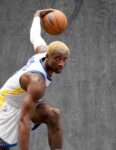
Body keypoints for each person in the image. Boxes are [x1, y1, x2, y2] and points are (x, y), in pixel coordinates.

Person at [0, 8, 69, 150]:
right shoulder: (37, 82)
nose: (61, 63)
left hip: (25, 99)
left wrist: (37, 16)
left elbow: (35, 36)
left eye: (64, 59)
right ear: (48, 57)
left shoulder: (43, 52)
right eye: (57, 59)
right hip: (8, 105)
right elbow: (23, 122)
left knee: (53, 115)